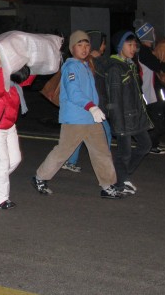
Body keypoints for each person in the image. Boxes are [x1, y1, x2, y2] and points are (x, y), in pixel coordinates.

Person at [31, 30, 122, 199]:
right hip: (75, 119)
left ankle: (108, 185)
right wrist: (91, 107)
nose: (85, 48)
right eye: (80, 45)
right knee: (63, 152)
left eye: (87, 45)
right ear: (72, 49)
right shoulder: (71, 67)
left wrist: (96, 108)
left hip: (91, 118)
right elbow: (74, 93)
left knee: (101, 152)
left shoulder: (86, 66)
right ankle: (40, 177)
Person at [0, 47, 36, 210]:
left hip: (9, 124)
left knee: (15, 159)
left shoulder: (15, 79)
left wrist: (38, 59)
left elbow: (28, 80)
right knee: (1, 163)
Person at [107, 30, 153, 195]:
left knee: (145, 145)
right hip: (123, 118)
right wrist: (118, 123)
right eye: (129, 44)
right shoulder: (115, 67)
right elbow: (114, 98)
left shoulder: (130, 65)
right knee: (124, 154)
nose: (133, 48)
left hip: (136, 116)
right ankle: (120, 182)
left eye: (135, 45)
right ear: (120, 46)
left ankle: (124, 176)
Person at [61, 31, 112, 173]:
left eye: (86, 45)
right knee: (104, 132)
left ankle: (71, 161)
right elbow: (76, 90)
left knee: (79, 137)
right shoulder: (86, 63)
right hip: (87, 107)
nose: (104, 47)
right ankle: (105, 164)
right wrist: (92, 106)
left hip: (91, 106)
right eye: (103, 43)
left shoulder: (87, 61)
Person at [135, 22, 165, 154]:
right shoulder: (144, 52)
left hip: (159, 91)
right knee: (158, 118)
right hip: (151, 92)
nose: (155, 35)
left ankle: (151, 140)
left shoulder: (149, 51)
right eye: (152, 33)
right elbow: (158, 66)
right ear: (148, 35)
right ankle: (150, 142)